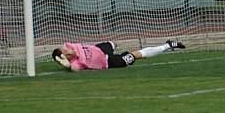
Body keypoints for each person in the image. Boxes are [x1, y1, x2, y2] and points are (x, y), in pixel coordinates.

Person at [52, 40, 186, 71]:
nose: (66, 50)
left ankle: (113, 44)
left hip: (100, 48)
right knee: (137, 55)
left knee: (112, 43)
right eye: (64, 52)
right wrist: (68, 65)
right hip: (109, 61)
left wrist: (69, 52)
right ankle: (168, 45)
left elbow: (73, 49)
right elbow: (75, 68)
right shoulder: (76, 64)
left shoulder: (69, 46)